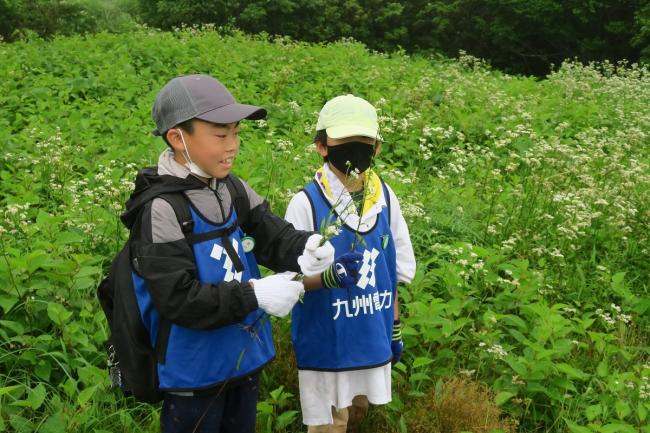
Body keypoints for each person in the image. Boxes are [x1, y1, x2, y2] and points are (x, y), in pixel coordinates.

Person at [120, 74, 337, 433]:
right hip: (193, 374)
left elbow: (271, 235)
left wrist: (306, 247)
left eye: (236, 133)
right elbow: (178, 299)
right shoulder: (162, 209)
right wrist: (255, 293)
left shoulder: (231, 188)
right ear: (177, 138)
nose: (233, 145)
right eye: (220, 135)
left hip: (242, 359)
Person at [284, 94, 417, 432]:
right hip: (328, 345)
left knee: (357, 413)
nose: (355, 150)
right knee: (330, 424)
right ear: (322, 145)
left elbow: (393, 272)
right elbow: (287, 284)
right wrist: (325, 277)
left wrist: (394, 327)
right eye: (345, 141)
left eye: (364, 142)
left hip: (370, 337)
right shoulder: (306, 205)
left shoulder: (384, 198)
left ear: (377, 148)